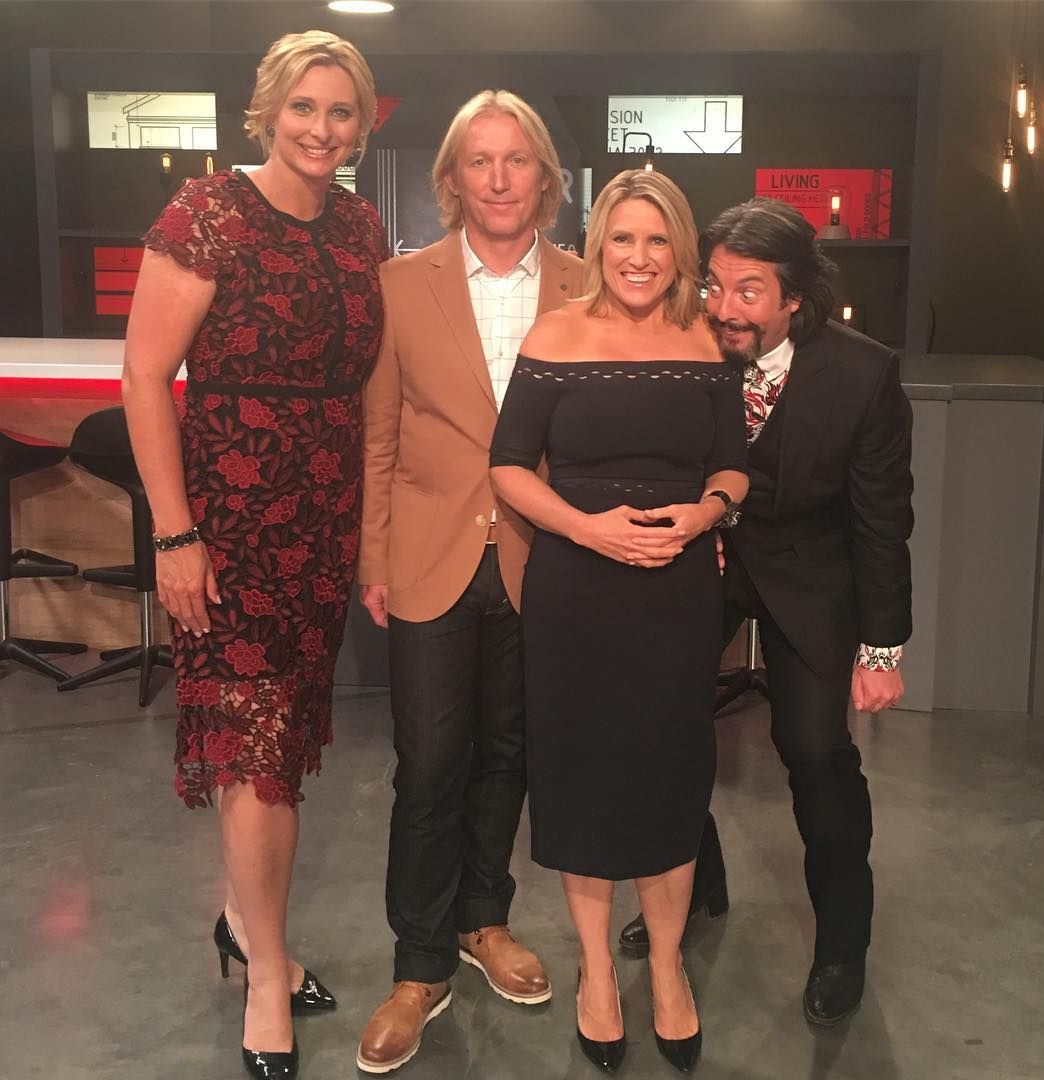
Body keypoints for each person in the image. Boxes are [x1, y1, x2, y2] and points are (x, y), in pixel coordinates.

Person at [123, 30, 384, 1079]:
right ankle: (268, 975)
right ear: (268, 110)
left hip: (322, 521)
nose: (321, 128)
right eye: (304, 107)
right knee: (255, 753)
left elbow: (370, 377)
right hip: (227, 525)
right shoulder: (208, 214)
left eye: (341, 111)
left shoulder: (359, 225)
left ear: (362, 124)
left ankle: (244, 924)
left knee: (281, 746)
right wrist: (175, 534)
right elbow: (145, 377)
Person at [618, 196, 914, 1029]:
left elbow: (882, 520)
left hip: (812, 576)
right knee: (657, 728)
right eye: (714, 285)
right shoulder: (683, 348)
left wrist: (882, 649)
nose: (724, 308)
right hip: (701, 564)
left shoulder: (863, 374)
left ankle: (842, 944)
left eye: (748, 291)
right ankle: (695, 885)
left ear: (795, 297)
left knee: (816, 751)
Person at [489, 169, 749, 1074]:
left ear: (680, 249)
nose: (639, 257)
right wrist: (584, 527)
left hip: (677, 596)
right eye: (623, 238)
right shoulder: (555, 335)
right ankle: (598, 972)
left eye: (657, 239)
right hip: (577, 591)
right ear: (599, 244)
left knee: (669, 778)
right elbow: (508, 465)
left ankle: (667, 967)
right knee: (584, 779)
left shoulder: (707, 340)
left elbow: (733, 466)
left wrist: (706, 513)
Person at [355, 90, 583, 1074]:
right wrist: (371, 556)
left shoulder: (585, 286)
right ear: (451, 179)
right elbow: (380, 434)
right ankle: (418, 965)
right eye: (479, 160)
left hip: (543, 558)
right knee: (430, 761)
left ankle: (484, 920)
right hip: (427, 554)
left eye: (516, 158)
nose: (498, 178)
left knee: (509, 753)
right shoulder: (400, 285)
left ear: (545, 177)